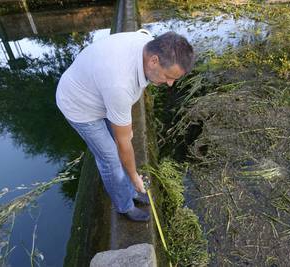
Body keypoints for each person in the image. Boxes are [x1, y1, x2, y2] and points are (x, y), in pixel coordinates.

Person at [56, 31, 194, 222]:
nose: (170, 84)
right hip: (79, 105)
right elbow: (123, 143)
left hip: (98, 90)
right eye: (168, 76)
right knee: (110, 159)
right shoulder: (120, 84)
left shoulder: (148, 42)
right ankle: (125, 205)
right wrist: (134, 176)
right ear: (154, 61)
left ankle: (131, 190)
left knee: (121, 142)